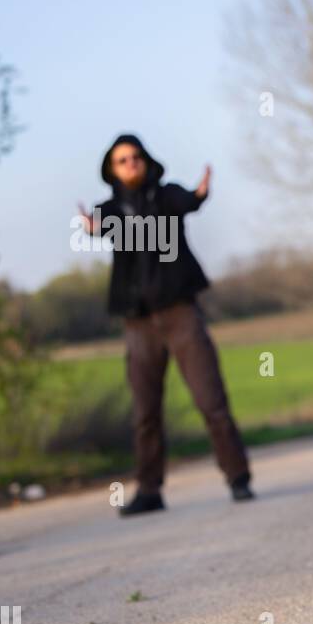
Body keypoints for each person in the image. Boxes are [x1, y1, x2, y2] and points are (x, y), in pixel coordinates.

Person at [79, 134, 252, 517]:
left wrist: (201, 194)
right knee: (145, 413)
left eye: (136, 156)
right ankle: (149, 490)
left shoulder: (166, 196)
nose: (131, 163)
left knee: (212, 401)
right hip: (138, 322)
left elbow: (189, 201)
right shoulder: (110, 209)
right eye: (122, 160)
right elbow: (98, 227)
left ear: (146, 160)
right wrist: (91, 229)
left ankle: (238, 478)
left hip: (180, 314)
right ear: (111, 168)